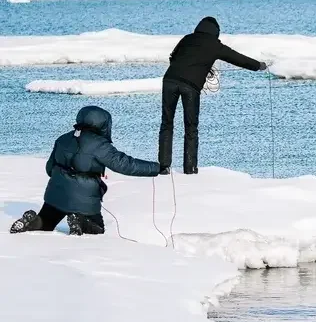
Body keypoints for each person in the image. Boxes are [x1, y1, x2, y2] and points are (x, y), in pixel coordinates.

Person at [9, 106, 160, 236]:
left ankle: (35, 222)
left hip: (55, 195)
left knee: (46, 222)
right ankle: (81, 221)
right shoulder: (100, 145)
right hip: (84, 200)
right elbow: (125, 165)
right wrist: (156, 168)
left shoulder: (62, 139)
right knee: (97, 229)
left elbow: (50, 168)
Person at [158, 16, 266, 174]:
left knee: (166, 123)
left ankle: (164, 166)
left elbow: (173, 57)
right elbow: (238, 59)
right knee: (191, 127)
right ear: (216, 33)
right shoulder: (215, 45)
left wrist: (198, 66)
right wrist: (259, 66)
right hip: (190, 86)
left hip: (170, 80)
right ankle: (190, 168)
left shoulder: (187, 38)